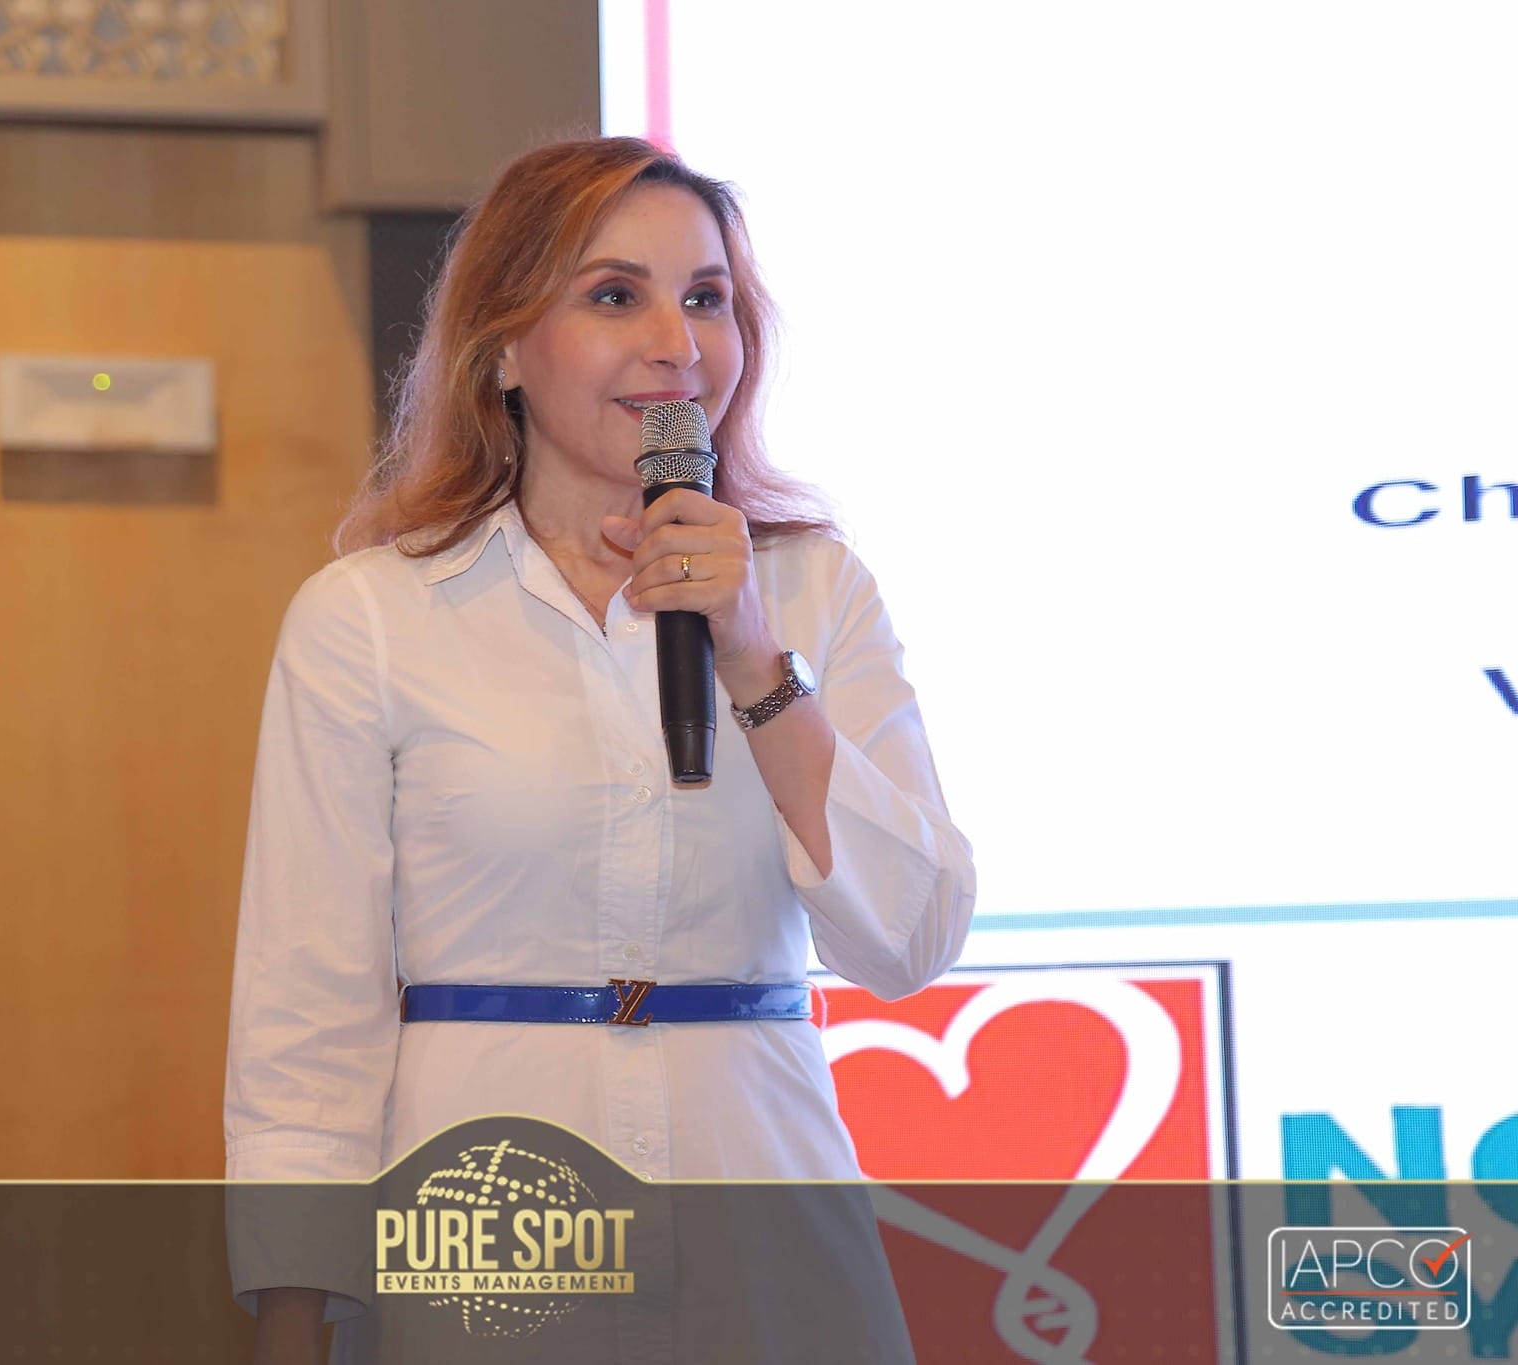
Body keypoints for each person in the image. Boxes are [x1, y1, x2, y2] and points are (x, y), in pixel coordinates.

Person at [223, 136, 977, 1363]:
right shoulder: (369, 616)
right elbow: (305, 1005)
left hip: (762, 1218)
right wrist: (292, 1312)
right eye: (615, 295)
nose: (676, 344)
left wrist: (751, 658)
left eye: (706, 299)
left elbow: (910, 938)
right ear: (502, 347)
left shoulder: (813, 590)